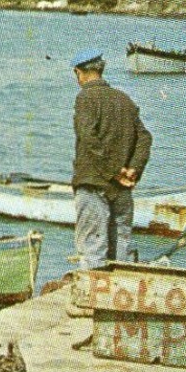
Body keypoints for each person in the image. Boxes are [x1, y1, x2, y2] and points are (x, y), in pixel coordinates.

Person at [70, 49, 152, 272]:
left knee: (92, 251)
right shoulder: (124, 99)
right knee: (121, 252)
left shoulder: (85, 97)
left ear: (80, 72)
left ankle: (91, 301)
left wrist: (114, 171)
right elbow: (145, 137)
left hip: (94, 185)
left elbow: (88, 138)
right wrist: (133, 169)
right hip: (122, 190)